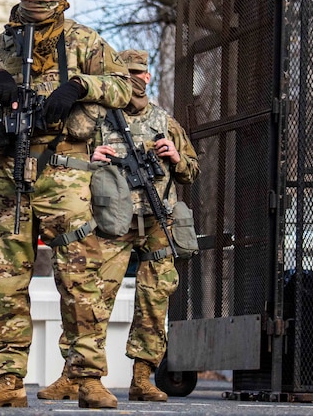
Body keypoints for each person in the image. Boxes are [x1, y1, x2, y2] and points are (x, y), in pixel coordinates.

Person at [0, 0, 132, 408]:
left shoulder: (85, 41)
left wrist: (78, 88)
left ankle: (87, 377)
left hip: (64, 172)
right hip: (10, 172)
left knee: (79, 277)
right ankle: (9, 380)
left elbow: (123, 88)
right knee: (5, 278)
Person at [39, 49, 199, 404]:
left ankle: (143, 377)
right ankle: (75, 375)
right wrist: (92, 159)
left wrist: (176, 157)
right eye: (126, 74)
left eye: (139, 74)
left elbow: (191, 169)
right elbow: (67, 160)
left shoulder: (165, 122)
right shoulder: (96, 120)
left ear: (148, 77)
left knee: (154, 301)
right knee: (91, 299)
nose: (134, 80)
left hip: (158, 221)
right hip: (113, 221)